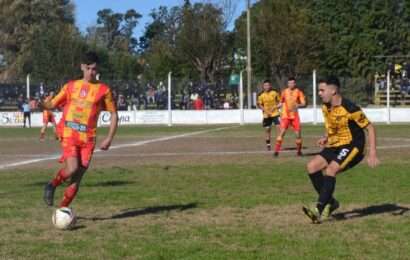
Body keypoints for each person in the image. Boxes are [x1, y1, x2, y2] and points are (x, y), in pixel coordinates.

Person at [42, 51, 118, 208]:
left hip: (88, 139)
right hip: (69, 133)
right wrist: (42, 104)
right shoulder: (70, 87)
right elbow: (52, 104)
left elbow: (114, 114)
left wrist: (109, 138)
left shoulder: (104, 90)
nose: (92, 72)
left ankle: (62, 210)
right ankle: (52, 185)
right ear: (82, 67)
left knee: (77, 178)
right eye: (89, 68)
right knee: (72, 168)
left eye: (95, 69)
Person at [302, 76, 380, 223]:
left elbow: (370, 128)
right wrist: (326, 137)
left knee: (331, 170)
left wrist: (372, 152)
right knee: (312, 167)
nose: (319, 93)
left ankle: (319, 208)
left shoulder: (350, 108)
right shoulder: (326, 107)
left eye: (322, 90)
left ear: (333, 90)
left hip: (353, 146)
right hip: (336, 144)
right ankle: (331, 202)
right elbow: (334, 126)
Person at [274, 77, 306, 156]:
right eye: (289, 83)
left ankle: (299, 151)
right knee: (282, 133)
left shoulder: (299, 92)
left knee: (298, 135)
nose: (291, 84)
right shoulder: (284, 92)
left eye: (292, 83)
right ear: (288, 84)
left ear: (295, 84)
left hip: (295, 116)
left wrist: (298, 105)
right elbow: (281, 102)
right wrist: (275, 107)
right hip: (285, 116)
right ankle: (276, 151)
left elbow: (304, 103)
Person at [257, 80, 281, 151]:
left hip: (275, 113)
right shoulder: (261, 95)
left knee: (279, 128)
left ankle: (278, 144)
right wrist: (265, 110)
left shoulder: (275, 92)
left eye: (268, 85)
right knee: (267, 129)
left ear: (270, 86)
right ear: (263, 86)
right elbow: (259, 105)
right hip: (266, 115)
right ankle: (268, 145)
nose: (266, 87)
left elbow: (280, 102)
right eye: (265, 85)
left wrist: (275, 107)